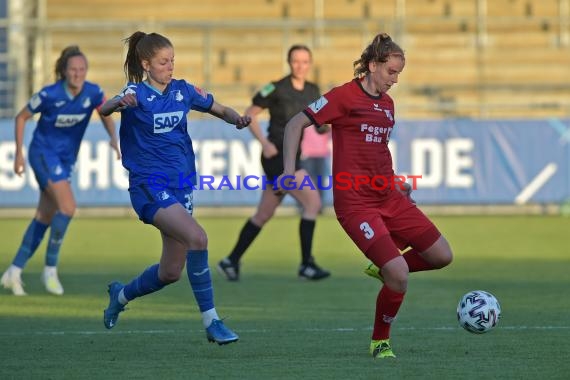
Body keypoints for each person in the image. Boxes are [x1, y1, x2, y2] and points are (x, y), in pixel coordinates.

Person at [276, 33, 453, 359]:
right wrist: (289, 172)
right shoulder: (344, 96)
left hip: (389, 195)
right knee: (399, 276)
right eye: (390, 72)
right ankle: (380, 341)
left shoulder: (388, 104)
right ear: (372, 65)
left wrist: (396, 180)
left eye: (399, 74)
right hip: (356, 204)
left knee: (442, 255)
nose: (394, 80)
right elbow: (294, 124)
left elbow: (376, 151)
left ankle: (384, 266)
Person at [100, 31, 250, 345]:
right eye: (163, 62)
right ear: (146, 64)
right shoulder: (136, 93)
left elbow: (216, 108)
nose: (170, 67)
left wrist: (237, 118)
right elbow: (105, 109)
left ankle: (121, 296)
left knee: (170, 272)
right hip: (149, 185)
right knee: (198, 237)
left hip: (180, 185)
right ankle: (212, 322)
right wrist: (118, 102)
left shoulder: (182, 90)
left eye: (172, 61)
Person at [0, 45, 120, 296]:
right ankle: (50, 270)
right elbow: (22, 117)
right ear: (64, 71)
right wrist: (19, 154)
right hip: (42, 154)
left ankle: (14, 271)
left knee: (45, 215)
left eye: (82, 69)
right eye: (73, 69)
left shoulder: (93, 92)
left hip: (66, 159)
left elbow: (106, 112)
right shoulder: (49, 94)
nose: (78, 74)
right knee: (67, 207)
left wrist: (113, 138)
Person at [216, 45, 330, 282]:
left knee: (263, 214)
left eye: (304, 61)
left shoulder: (312, 90)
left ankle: (231, 260)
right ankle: (306, 265)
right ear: (289, 62)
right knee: (313, 203)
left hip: (293, 156)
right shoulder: (276, 88)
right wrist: (264, 142)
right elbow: (250, 112)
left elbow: (320, 126)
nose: (300, 65)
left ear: (310, 64)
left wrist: (336, 124)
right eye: (296, 61)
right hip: (276, 156)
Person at [300, 123, 331, 208]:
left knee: (320, 181)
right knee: (307, 182)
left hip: (322, 153)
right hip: (307, 154)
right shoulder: (305, 119)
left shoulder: (325, 120)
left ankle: (318, 205)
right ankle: (305, 205)